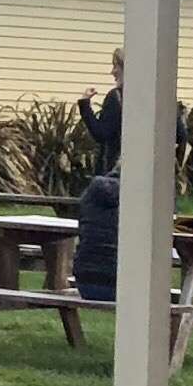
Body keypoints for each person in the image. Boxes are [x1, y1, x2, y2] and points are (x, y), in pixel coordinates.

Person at [74, 49, 127, 301]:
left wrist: (85, 106)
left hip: (114, 174)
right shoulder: (159, 96)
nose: (112, 71)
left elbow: (102, 133)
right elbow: (180, 136)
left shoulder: (116, 98)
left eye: (116, 66)